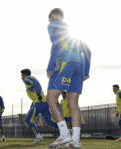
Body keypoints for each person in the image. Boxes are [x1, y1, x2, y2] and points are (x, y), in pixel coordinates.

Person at [46, 8, 91, 148]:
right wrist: (86, 71)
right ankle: (76, 141)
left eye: (49, 18)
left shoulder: (53, 25)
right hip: (79, 64)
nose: (49, 21)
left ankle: (64, 134)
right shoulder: (72, 29)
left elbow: (56, 45)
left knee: (51, 98)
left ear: (53, 16)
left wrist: (50, 66)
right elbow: (88, 51)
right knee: (73, 102)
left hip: (65, 62)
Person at [21, 69, 57, 144]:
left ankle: (38, 136)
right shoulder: (31, 79)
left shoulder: (27, 79)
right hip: (43, 103)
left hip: (39, 103)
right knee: (49, 121)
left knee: (28, 120)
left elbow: (37, 84)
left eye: (22, 75)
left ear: (24, 75)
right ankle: (66, 129)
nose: (21, 77)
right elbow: (35, 87)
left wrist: (38, 95)